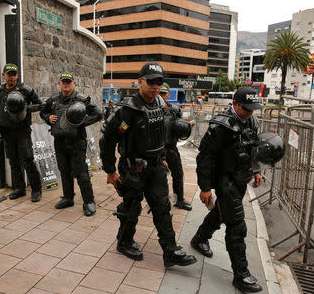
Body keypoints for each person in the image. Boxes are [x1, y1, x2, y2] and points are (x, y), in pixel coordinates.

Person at [100, 62, 197, 267]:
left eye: (159, 82)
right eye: (151, 81)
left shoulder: (160, 105)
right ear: (140, 82)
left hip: (156, 166)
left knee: (162, 207)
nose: (155, 86)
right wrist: (110, 171)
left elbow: (157, 135)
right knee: (131, 207)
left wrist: (161, 156)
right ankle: (124, 242)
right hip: (132, 168)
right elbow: (107, 140)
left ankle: (170, 251)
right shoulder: (127, 110)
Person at [190, 87, 263, 293]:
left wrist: (256, 170)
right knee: (237, 226)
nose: (250, 113)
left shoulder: (251, 121)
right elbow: (204, 158)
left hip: (241, 178)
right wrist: (204, 188)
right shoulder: (221, 126)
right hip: (224, 180)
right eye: (246, 109)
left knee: (221, 213)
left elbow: (252, 148)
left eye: (252, 109)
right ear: (235, 105)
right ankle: (241, 275)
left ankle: (199, 238)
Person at [40, 72, 103, 216]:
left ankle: (89, 201)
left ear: (74, 83)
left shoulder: (82, 100)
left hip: (77, 142)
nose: (66, 84)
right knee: (64, 171)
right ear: (59, 83)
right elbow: (43, 111)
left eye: (69, 82)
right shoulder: (53, 100)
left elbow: (99, 114)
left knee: (81, 173)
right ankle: (68, 198)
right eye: (64, 82)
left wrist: (80, 123)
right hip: (60, 141)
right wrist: (48, 117)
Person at [0, 63, 43, 203]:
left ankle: (36, 189)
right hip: (7, 132)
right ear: (4, 75)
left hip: (22, 130)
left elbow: (39, 105)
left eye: (14, 74)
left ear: (17, 75)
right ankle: (19, 189)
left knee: (27, 160)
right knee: (14, 162)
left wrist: (24, 108)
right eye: (9, 74)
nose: (11, 77)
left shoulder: (26, 90)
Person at [159, 82, 193, 211]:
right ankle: (159, 201)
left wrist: (186, 127)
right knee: (159, 177)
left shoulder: (174, 110)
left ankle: (179, 199)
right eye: (159, 93)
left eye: (163, 94)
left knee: (178, 174)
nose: (161, 96)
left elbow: (178, 128)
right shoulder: (151, 110)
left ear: (168, 94)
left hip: (172, 148)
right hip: (156, 150)